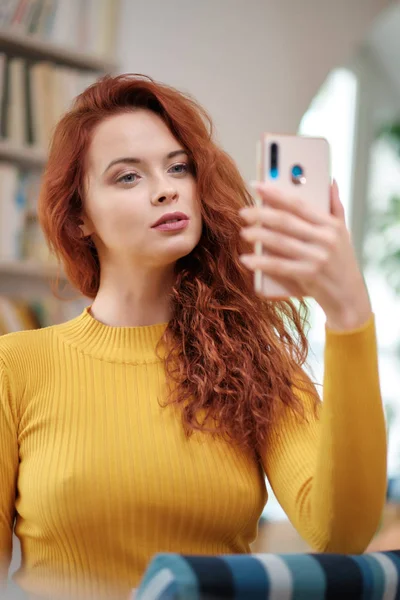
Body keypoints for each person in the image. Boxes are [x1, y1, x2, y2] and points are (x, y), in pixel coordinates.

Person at [0, 73, 387, 600]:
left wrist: (349, 314)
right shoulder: (15, 365)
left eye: (179, 167)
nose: (166, 188)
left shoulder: (255, 364)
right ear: (79, 217)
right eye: (127, 177)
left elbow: (342, 532)